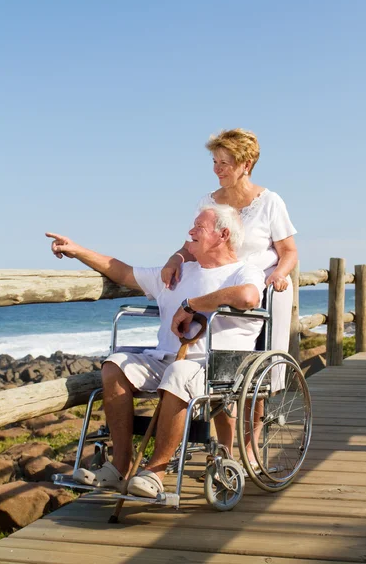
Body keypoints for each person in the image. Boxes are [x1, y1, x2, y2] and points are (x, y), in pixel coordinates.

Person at [46, 204, 265, 499]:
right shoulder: (177, 272)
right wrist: (77, 250)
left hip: (215, 365)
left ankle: (156, 472)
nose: (190, 232)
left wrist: (191, 305)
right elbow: (121, 272)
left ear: (222, 234)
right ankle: (120, 466)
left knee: (179, 372)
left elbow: (249, 297)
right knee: (115, 365)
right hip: (166, 358)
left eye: (198, 227)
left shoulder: (242, 270)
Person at [162, 128, 298, 355]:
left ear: (246, 165)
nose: (217, 169)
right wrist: (174, 260)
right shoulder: (207, 202)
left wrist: (279, 273)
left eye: (224, 163)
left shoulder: (269, 202)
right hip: (213, 287)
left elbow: (289, 251)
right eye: (215, 161)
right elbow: (189, 247)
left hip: (253, 288)